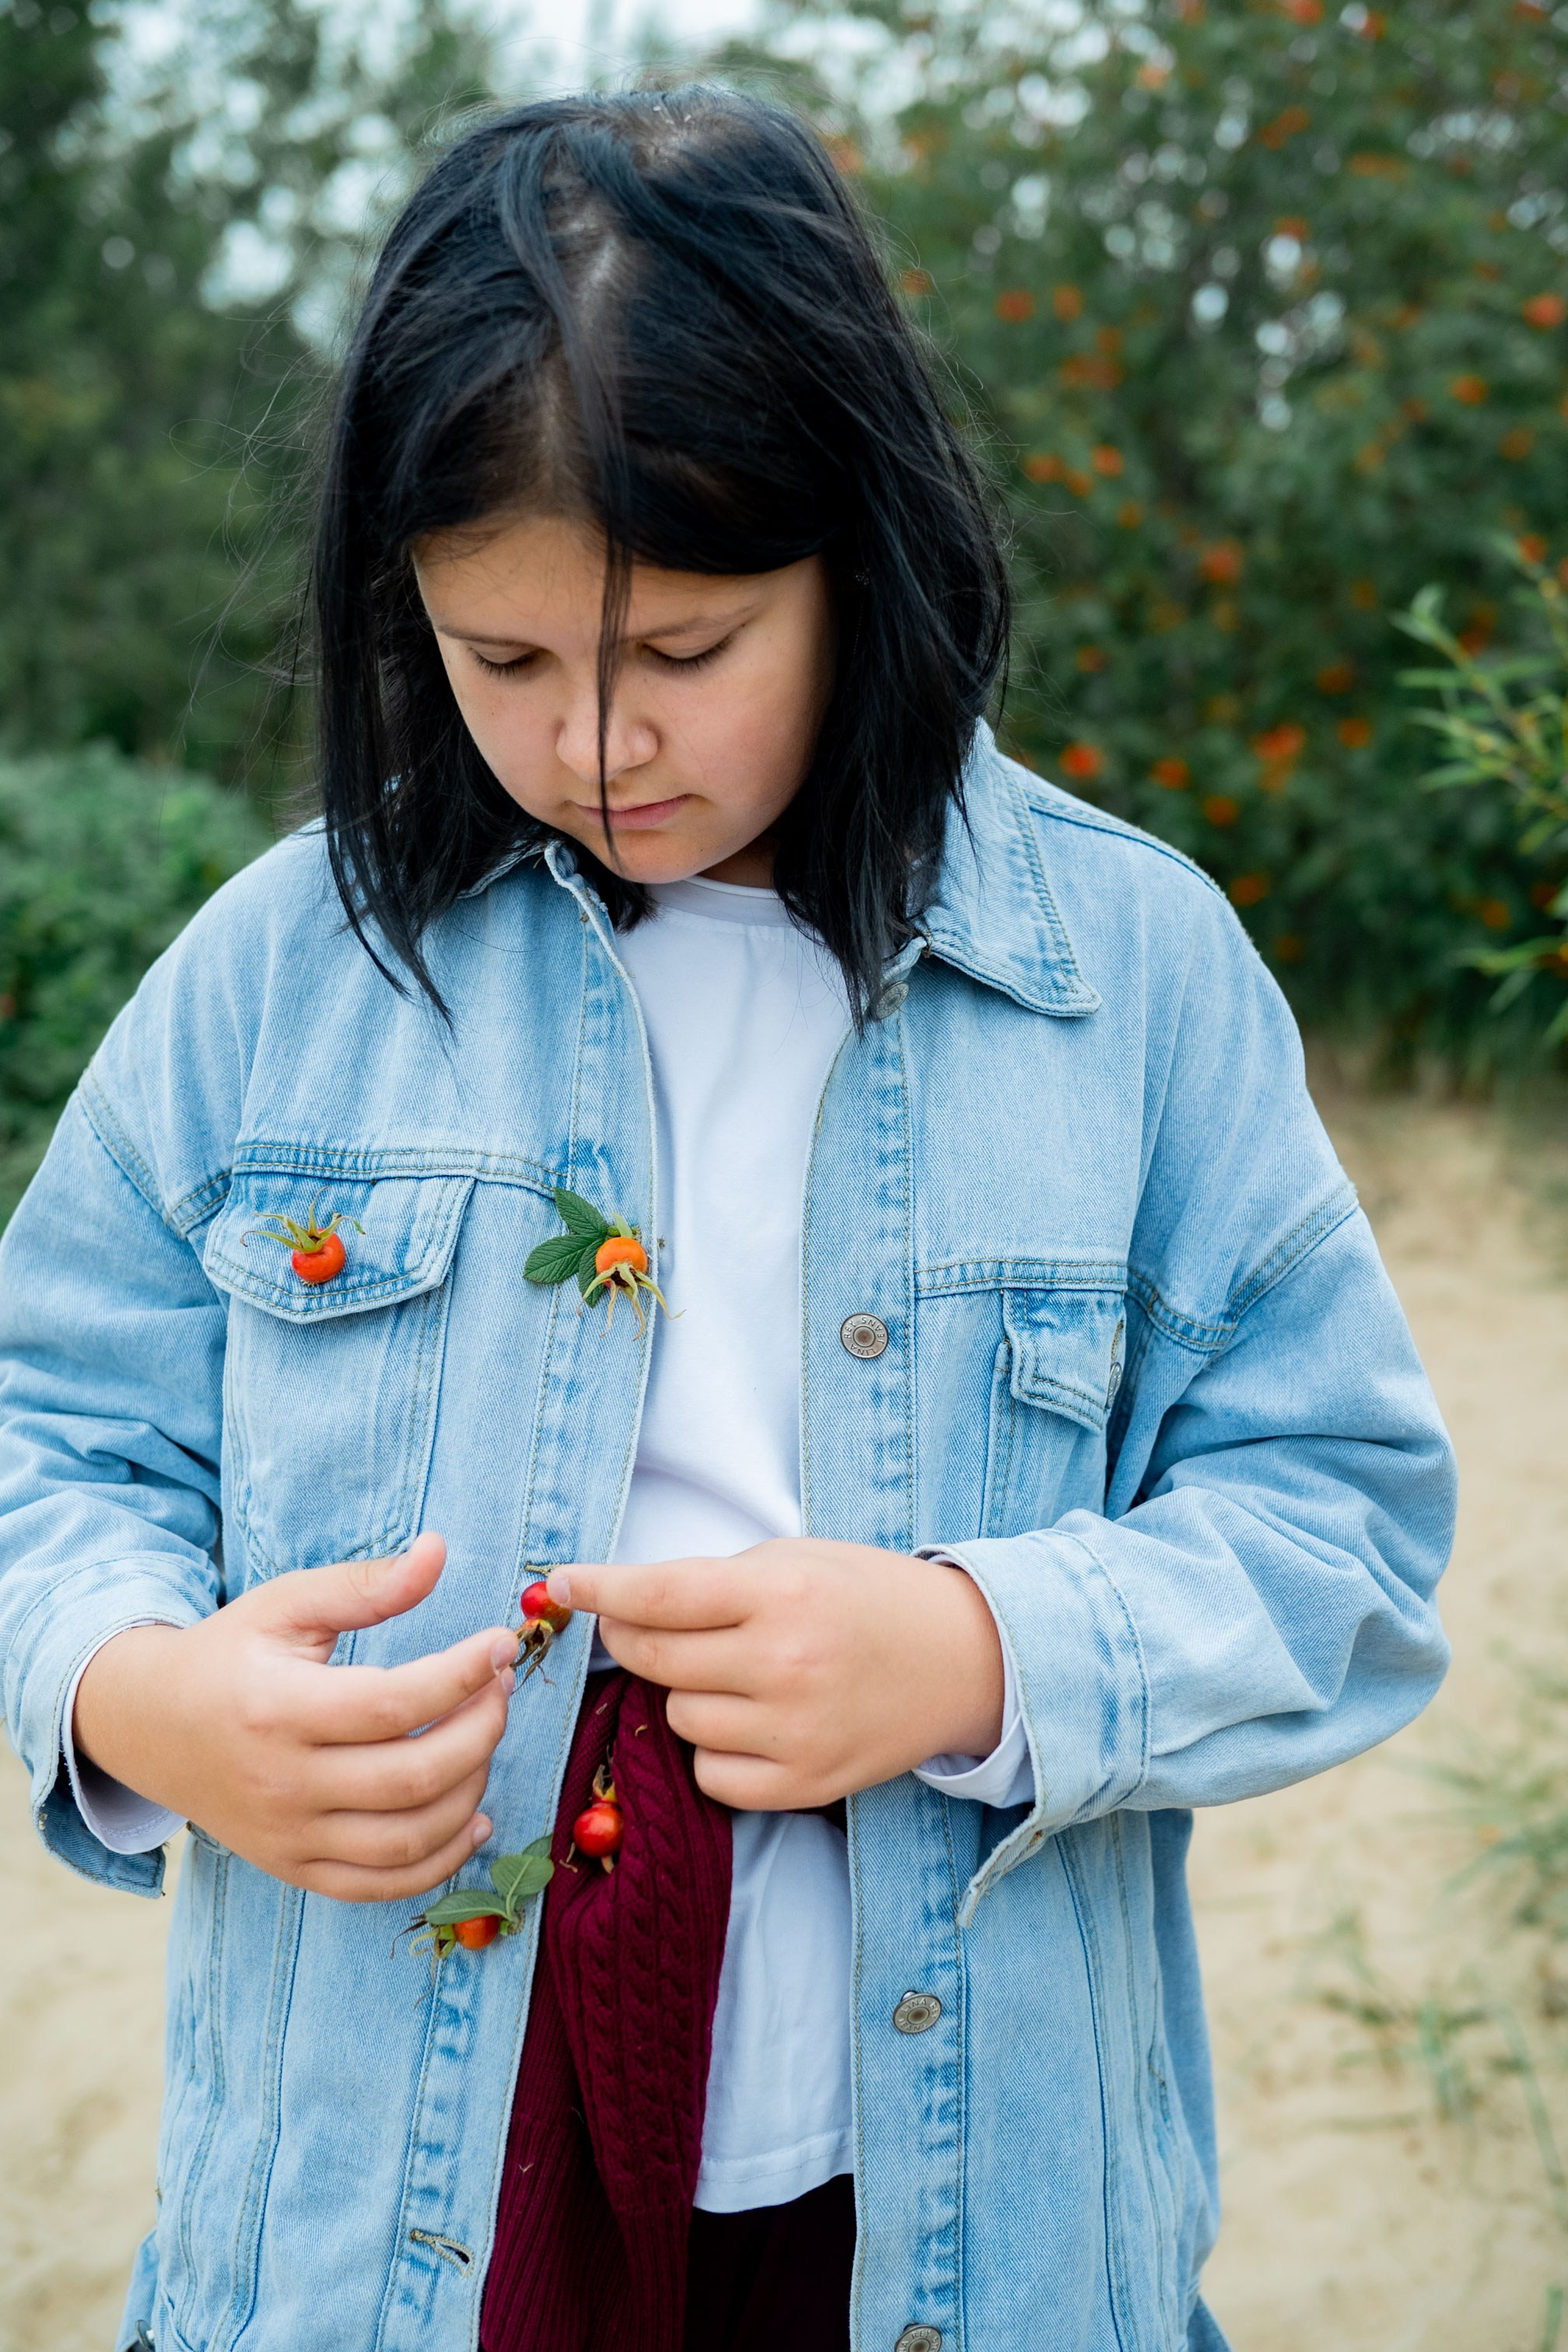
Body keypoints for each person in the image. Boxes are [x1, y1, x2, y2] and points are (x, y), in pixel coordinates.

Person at [0, 85, 1455, 2352]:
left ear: (854, 556)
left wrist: (981, 1649)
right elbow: (44, 1427)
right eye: (504, 663)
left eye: (682, 652)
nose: (594, 743)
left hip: (943, 2215)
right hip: (384, 2216)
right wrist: (135, 1687)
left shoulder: (1132, 982)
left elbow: (1350, 1529)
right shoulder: (288, 977)